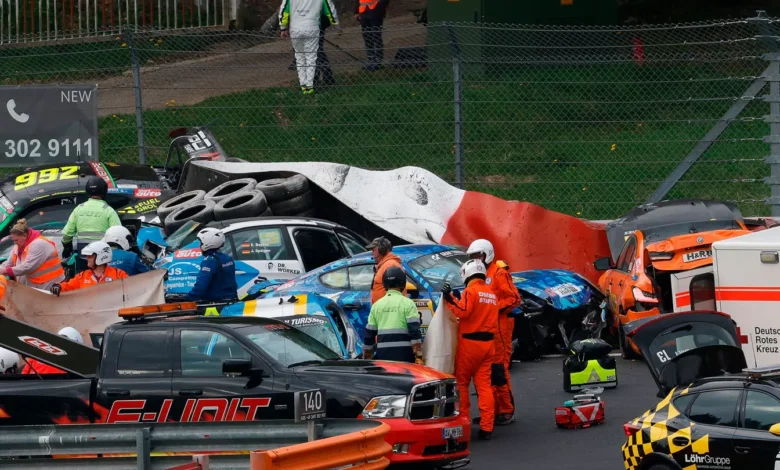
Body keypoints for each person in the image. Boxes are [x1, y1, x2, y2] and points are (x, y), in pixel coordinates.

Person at [467, 239, 522, 425]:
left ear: (487, 254)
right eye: (473, 257)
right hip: (486, 328)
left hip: (501, 326)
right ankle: (491, 411)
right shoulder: (478, 275)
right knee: (487, 372)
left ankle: (506, 410)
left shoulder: (498, 273)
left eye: (478, 256)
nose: (476, 260)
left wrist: (494, 308)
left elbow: (514, 298)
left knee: (499, 370)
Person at [442, 259, 498, 440]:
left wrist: (449, 298)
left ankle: (463, 422)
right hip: (488, 345)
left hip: (470, 345)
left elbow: (462, 311)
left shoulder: (471, 291)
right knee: (484, 386)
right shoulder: (491, 294)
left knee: (462, 383)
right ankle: (487, 426)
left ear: (466, 273)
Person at [362, 266, 422, 363]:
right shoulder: (408, 303)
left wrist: (367, 355)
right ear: (403, 282)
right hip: (404, 356)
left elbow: (369, 334)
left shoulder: (376, 306)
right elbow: (414, 331)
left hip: (383, 356)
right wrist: (418, 355)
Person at [61, 177, 121, 273]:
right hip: (102, 259)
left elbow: (67, 234)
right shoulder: (108, 210)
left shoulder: (79, 209)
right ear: (104, 191)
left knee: (83, 284)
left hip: (83, 258)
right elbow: (118, 235)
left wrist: (67, 247)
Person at [279, 0, 339, 94]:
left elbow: (284, 10)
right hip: (312, 27)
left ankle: (303, 85)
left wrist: (283, 27)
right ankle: (309, 86)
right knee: (311, 57)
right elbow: (329, 8)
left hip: (296, 28)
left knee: (299, 57)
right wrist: (336, 24)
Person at [0, 219, 65, 292]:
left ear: (24, 236)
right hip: (35, 286)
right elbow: (9, 262)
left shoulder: (38, 244)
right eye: (14, 240)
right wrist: (1, 269)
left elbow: (28, 266)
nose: (15, 243)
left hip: (49, 285)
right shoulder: (18, 246)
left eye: (16, 240)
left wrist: (6, 271)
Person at [50, 242, 128, 296]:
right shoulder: (82, 276)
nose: (87, 258)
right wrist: (58, 287)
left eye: (90, 256)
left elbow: (131, 290)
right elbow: (68, 286)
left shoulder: (119, 275)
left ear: (101, 257)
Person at [186, 228, 238, 302]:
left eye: (201, 242)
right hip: (231, 300)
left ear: (207, 243)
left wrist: (188, 298)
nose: (199, 245)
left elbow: (201, 286)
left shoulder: (209, 261)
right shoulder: (227, 258)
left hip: (215, 303)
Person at [367, 236, 405, 304]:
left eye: (373, 250)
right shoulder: (384, 265)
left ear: (382, 250)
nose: (372, 253)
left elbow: (396, 295)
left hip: (388, 312)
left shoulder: (390, 265)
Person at [354, 0, 389, 71]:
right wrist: (356, 11)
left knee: (376, 37)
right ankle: (371, 60)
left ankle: (378, 61)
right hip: (363, 13)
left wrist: (379, 10)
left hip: (375, 13)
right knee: (367, 38)